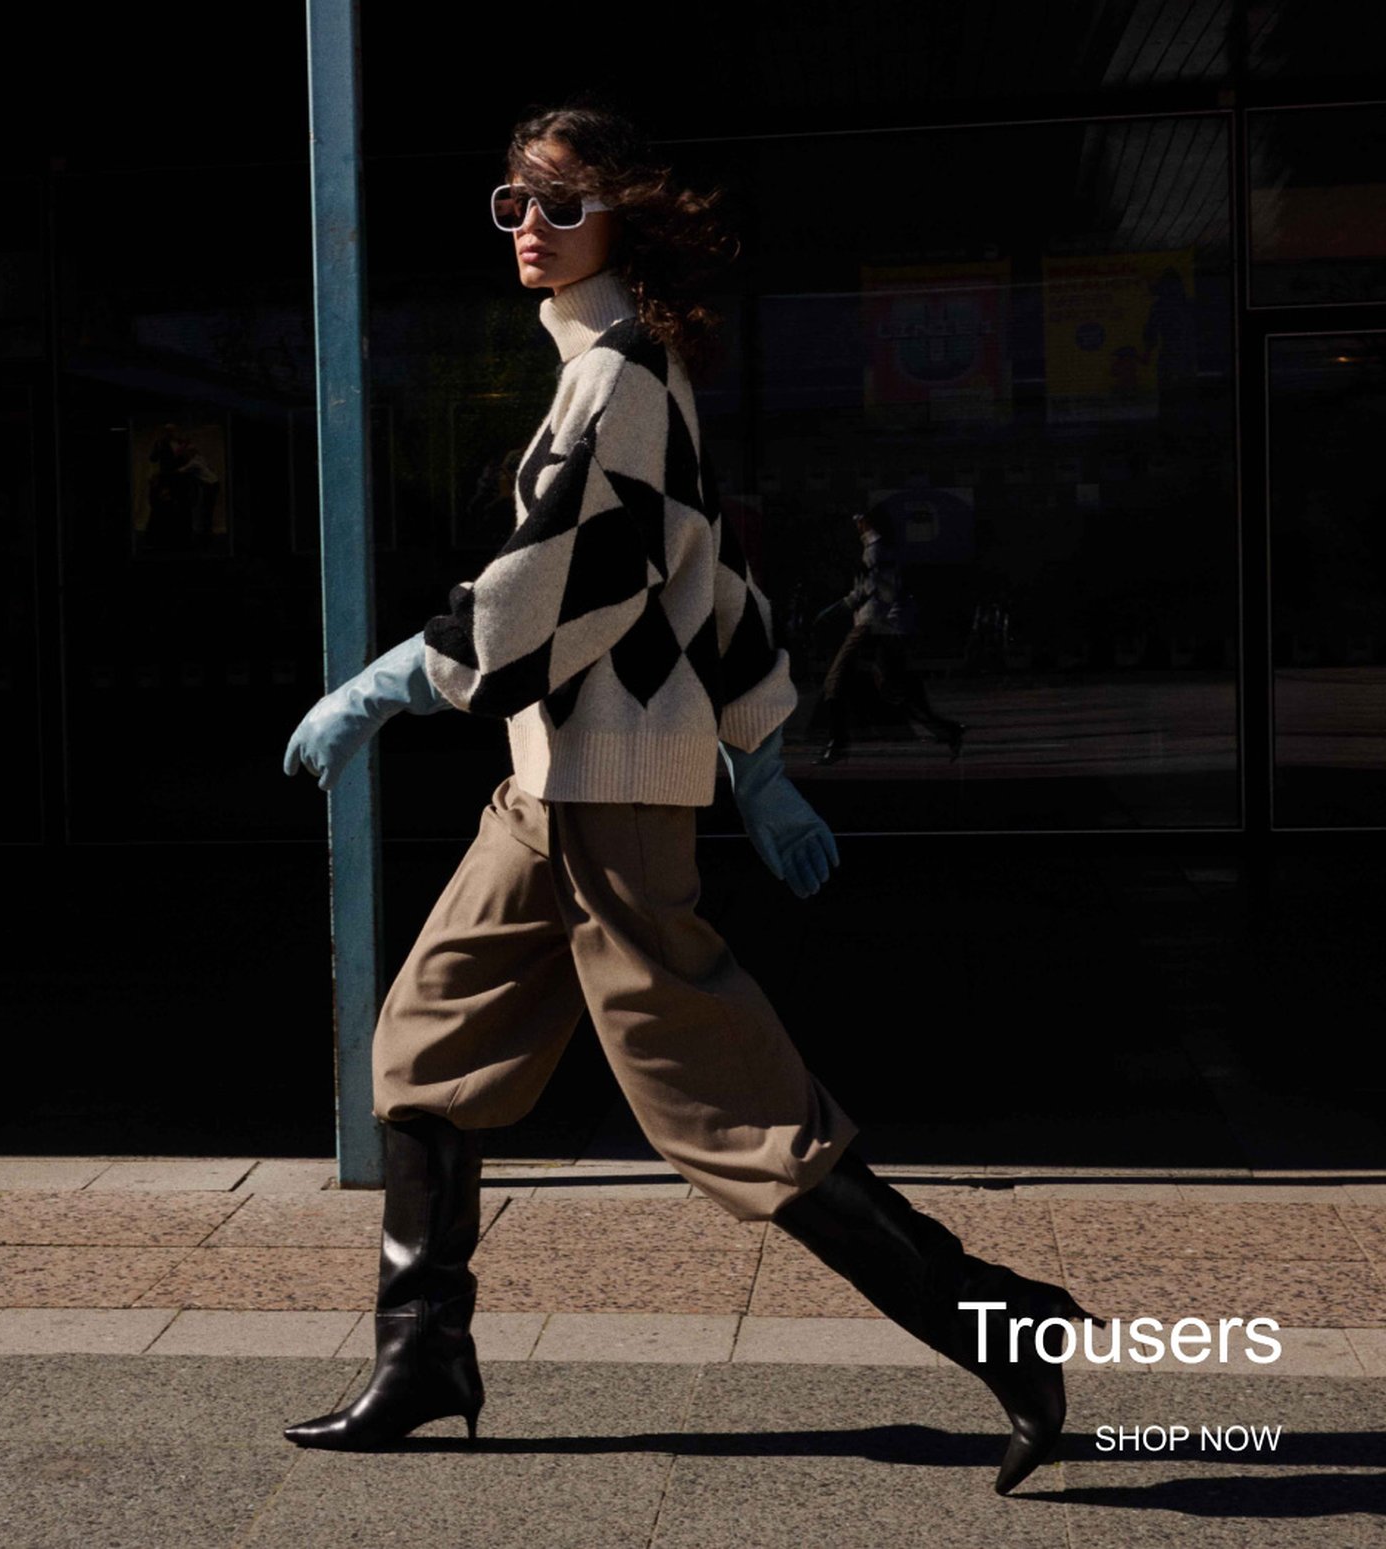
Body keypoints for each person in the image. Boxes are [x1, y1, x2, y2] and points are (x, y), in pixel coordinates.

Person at [280, 101, 1098, 1497]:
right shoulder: (613, 371)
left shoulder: (623, 381)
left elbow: (562, 591)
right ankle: (424, 1356)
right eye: (512, 204)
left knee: (732, 1116)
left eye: (558, 202)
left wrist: (394, 683)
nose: (527, 228)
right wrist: (762, 760)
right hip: (546, 794)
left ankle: (995, 1321)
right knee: (421, 1056)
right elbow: (706, 584)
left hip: (605, 802)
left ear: (621, 216)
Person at [815, 509, 967, 764]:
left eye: (859, 521)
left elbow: (869, 592)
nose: (857, 526)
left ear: (865, 523)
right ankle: (948, 731)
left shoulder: (874, 551)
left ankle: (837, 744)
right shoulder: (881, 550)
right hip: (881, 625)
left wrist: (836, 610)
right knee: (890, 688)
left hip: (869, 624)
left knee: (835, 679)